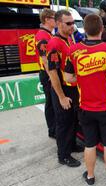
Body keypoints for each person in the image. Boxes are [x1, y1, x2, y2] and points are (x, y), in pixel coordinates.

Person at [64, 14, 106, 186]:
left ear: (85, 29)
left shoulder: (73, 50)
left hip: (85, 107)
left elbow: (68, 78)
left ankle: (90, 177)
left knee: (90, 144)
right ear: (101, 29)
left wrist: (85, 79)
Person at [47, 10, 81, 167]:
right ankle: (63, 155)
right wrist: (61, 96)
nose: (72, 26)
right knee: (64, 122)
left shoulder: (70, 38)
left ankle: (72, 145)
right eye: (69, 23)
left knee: (73, 119)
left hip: (73, 87)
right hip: (62, 89)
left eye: (73, 22)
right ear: (59, 23)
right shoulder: (54, 43)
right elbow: (52, 72)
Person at [35, 8, 56, 139]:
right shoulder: (43, 35)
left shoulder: (48, 34)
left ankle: (53, 128)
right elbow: (45, 59)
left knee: (52, 103)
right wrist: (52, 76)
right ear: (47, 19)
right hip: (47, 73)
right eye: (54, 18)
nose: (56, 20)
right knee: (51, 103)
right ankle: (52, 130)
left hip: (48, 73)